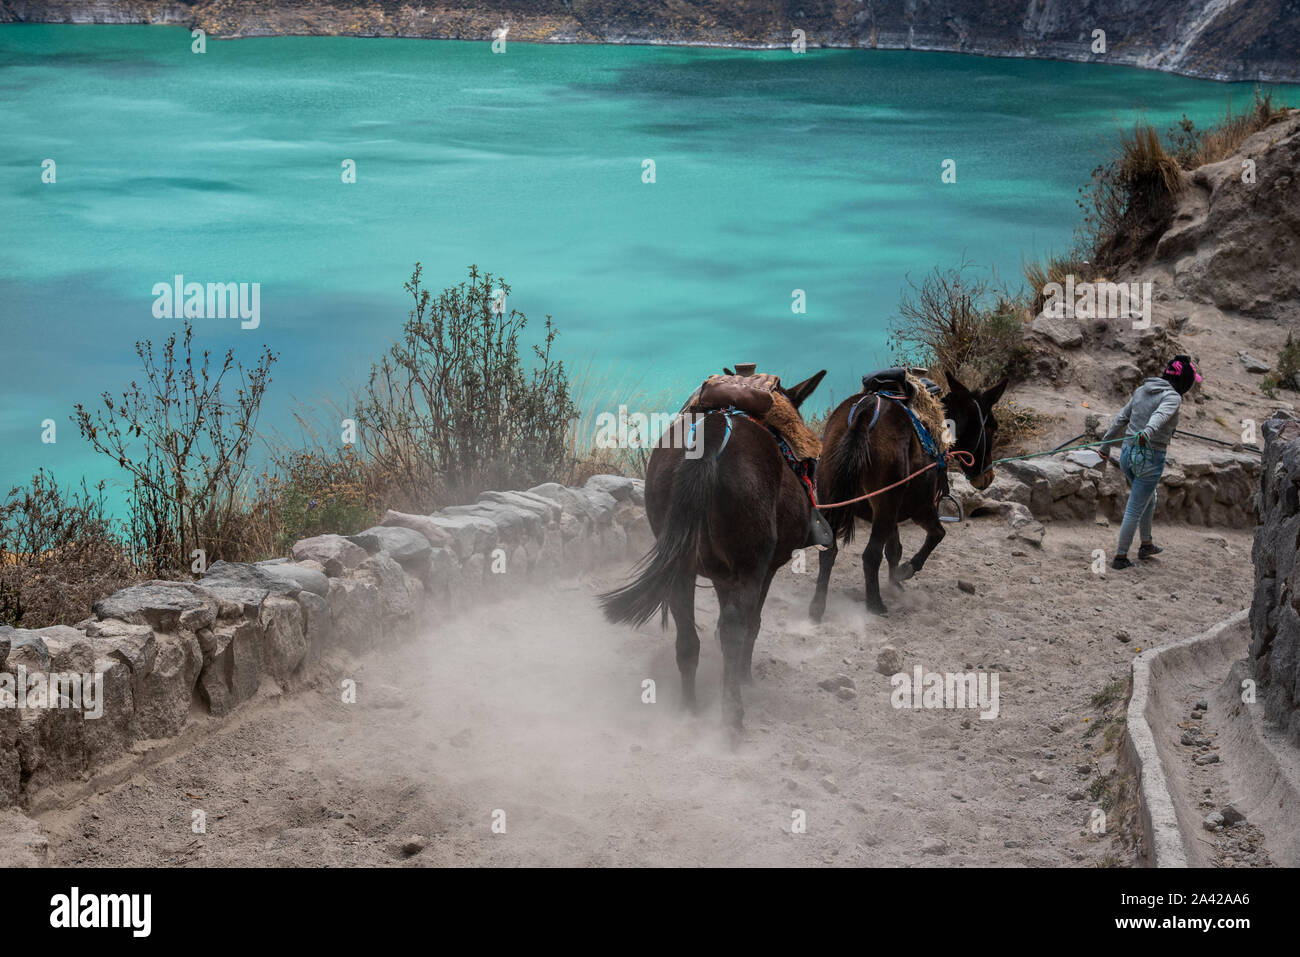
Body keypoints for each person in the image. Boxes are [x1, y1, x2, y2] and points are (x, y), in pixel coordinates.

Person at [1099, 355, 1202, 569]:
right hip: (1149, 458)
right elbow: (1160, 415)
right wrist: (1148, 431)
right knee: (1134, 508)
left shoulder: (1141, 390)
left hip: (1127, 454)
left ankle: (1146, 544)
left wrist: (1106, 444)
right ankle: (1120, 557)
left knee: (1149, 497)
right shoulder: (1173, 397)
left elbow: (1121, 417)